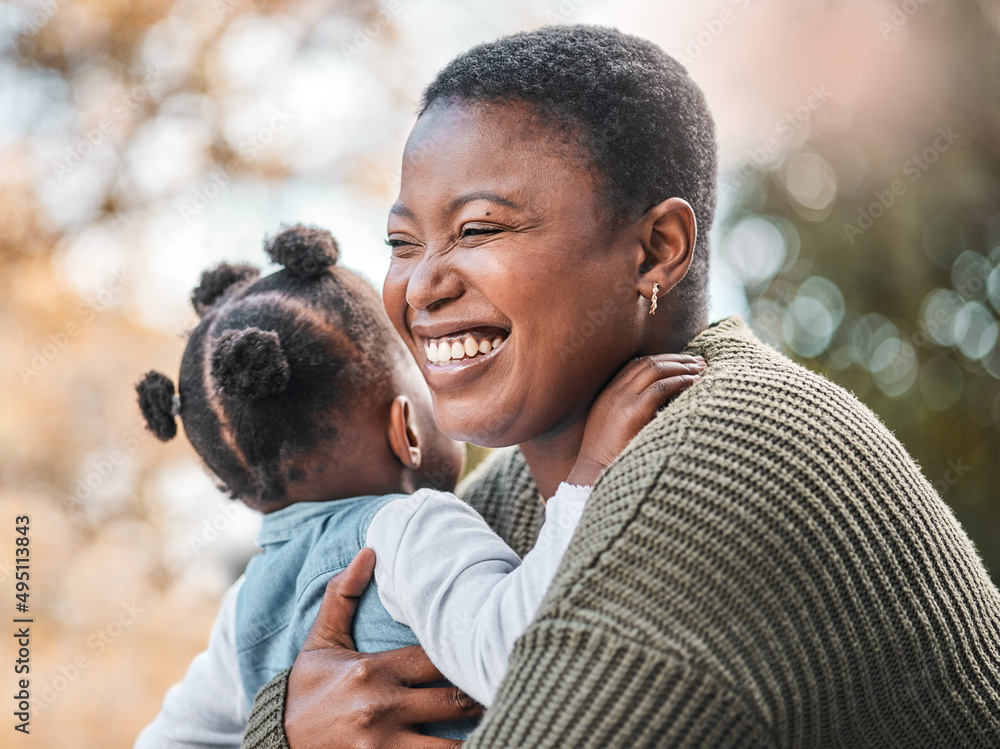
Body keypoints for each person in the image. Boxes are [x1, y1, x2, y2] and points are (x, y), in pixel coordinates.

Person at [241, 25, 1000, 749]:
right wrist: (294, 726)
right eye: (403, 243)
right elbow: (310, 680)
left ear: (655, 251)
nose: (422, 286)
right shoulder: (509, 496)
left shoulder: (715, 466)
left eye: (478, 230)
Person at [131, 225, 702, 747]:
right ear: (406, 428)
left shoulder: (241, 613)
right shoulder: (410, 529)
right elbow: (520, 654)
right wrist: (590, 474)